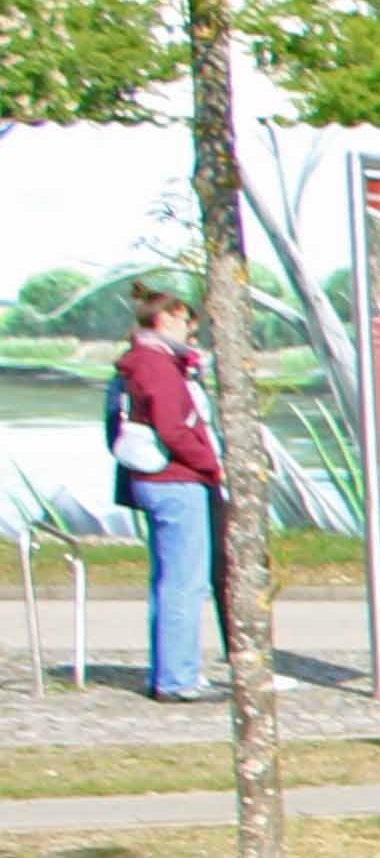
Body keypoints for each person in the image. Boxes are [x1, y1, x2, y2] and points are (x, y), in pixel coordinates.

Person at [108, 285, 223, 700]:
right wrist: (212, 466)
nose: (190, 329)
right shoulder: (157, 365)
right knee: (185, 582)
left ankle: (169, 671)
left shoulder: (139, 362)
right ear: (164, 318)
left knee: (168, 580)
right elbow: (173, 428)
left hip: (156, 481)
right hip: (176, 480)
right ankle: (178, 679)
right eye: (185, 320)